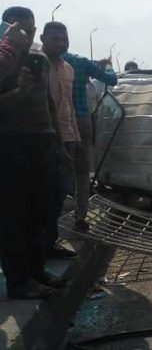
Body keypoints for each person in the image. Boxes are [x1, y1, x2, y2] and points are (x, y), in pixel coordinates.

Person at [0, 6, 67, 299]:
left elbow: (48, 103)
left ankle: (37, 271)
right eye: (20, 30)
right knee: (13, 215)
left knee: (40, 212)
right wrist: (18, 93)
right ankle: (19, 281)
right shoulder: (4, 59)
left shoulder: (38, 58)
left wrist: (58, 139)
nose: (26, 36)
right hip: (11, 144)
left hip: (42, 142)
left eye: (30, 30)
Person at [63, 50, 117, 231]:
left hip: (55, 120)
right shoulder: (81, 62)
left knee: (57, 169)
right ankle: (80, 217)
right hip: (81, 118)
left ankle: (52, 217)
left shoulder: (43, 58)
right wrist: (107, 65)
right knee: (82, 171)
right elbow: (111, 79)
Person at [40, 21, 79, 258]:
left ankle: (50, 241)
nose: (61, 44)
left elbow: (69, 106)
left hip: (67, 138)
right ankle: (38, 245)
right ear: (43, 39)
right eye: (55, 39)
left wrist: (76, 136)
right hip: (43, 139)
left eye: (64, 39)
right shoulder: (36, 65)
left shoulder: (68, 69)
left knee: (60, 194)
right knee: (42, 194)